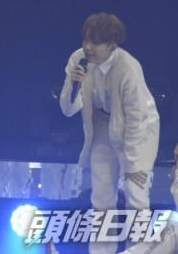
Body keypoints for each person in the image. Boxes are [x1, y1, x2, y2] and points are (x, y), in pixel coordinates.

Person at [59, 13, 160, 254]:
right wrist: (73, 84)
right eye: (86, 39)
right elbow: (67, 109)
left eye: (95, 42)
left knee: (136, 195)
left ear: (111, 45)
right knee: (101, 197)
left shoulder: (128, 67)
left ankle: (139, 251)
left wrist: (132, 164)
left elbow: (136, 119)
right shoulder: (78, 59)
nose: (88, 47)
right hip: (103, 127)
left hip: (139, 130)